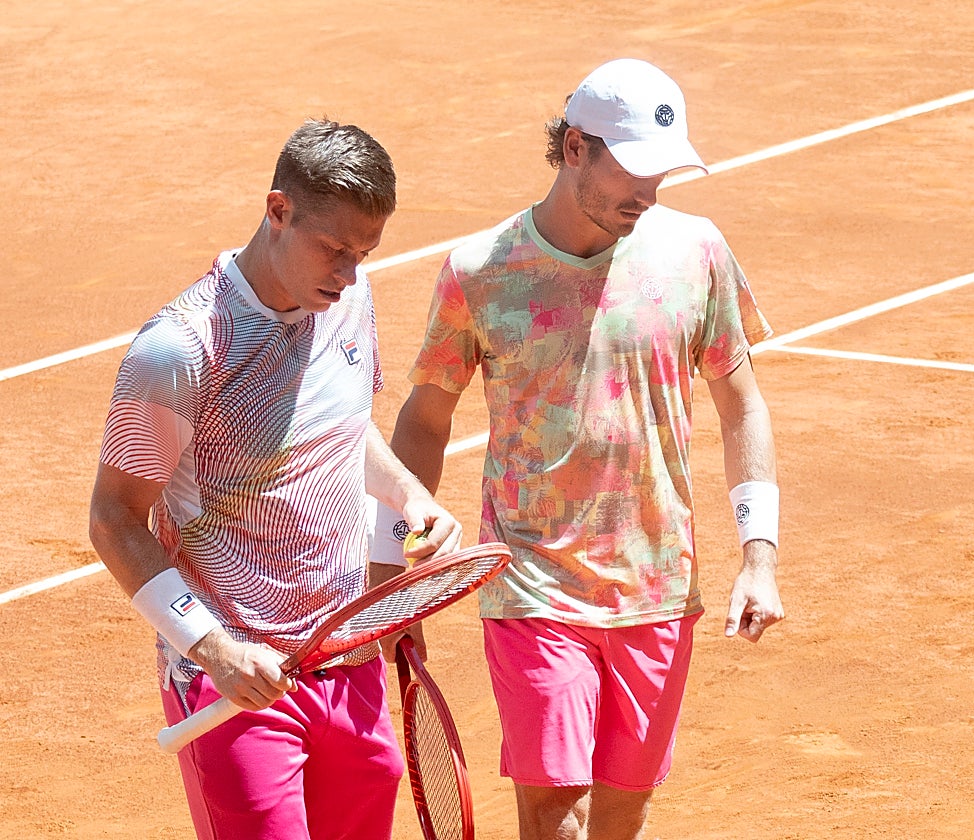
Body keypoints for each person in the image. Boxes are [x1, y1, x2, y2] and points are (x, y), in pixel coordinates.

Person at [374, 59, 785, 839]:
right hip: (533, 582)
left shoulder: (696, 251)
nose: (647, 193)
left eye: (660, 174)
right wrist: (388, 570)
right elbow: (425, 420)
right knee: (555, 813)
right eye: (631, 170)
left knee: (623, 813)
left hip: (658, 583)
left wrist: (758, 555)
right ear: (573, 149)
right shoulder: (481, 272)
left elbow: (742, 401)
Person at [88, 119, 462, 840]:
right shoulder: (181, 350)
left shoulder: (350, 298)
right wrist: (215, 651)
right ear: (278, 210)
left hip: (344, 656)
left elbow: (342, 432)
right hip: (237, 677)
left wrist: (408, 494)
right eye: (333, 248)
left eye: (364, 252)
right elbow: (112, 518)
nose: (348, 272)